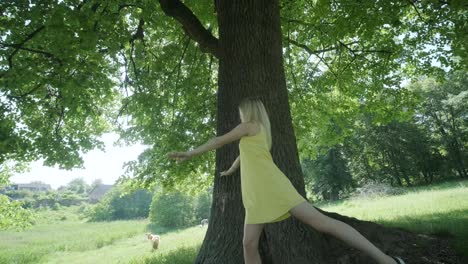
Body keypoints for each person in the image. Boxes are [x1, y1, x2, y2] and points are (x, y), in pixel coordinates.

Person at [167, 97, 405, 264]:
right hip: (257, 194)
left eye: (241, 111)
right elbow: (244, 154)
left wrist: (191, 153)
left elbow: (219, 140)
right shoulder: (258, 132)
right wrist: (230, 170)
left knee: (323, 223)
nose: (239, 115)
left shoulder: (250, 125)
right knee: (248, 244)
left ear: (248, 111)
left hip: (273, 187)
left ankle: (386, 260)